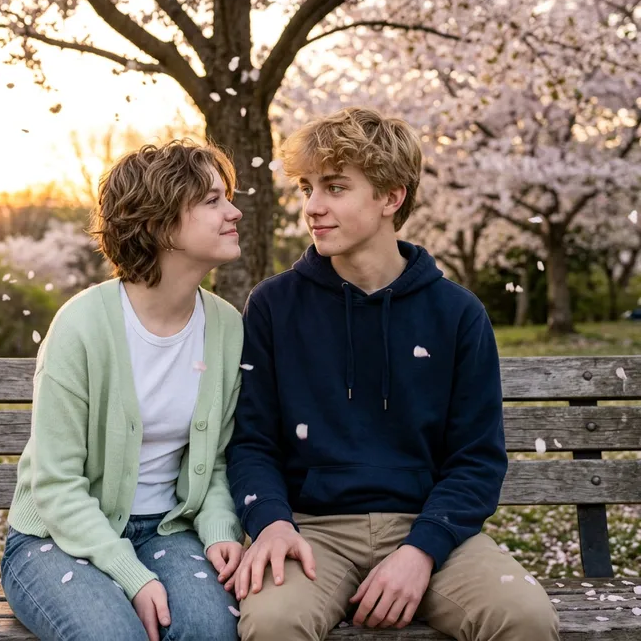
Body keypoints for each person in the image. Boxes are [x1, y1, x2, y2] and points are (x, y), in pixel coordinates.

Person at [225, 108, 560, 641]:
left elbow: (476, 458)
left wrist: (421, 550)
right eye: (307, 187)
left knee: (525, 618)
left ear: (391, 196)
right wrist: (272, 522)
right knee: (272, 623)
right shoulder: (274, 305)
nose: (313, 206)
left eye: (335, 187)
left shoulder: (457, 314)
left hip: (432, 530)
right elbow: (251, 442)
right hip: (312, 533)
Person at [1, 140, 246, 641]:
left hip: (169, 530)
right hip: (55, 537)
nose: (234, 211)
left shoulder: (226, 325)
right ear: (158, 224)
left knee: (209, 631)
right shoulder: (82, 325)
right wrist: (130, 574)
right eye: (212, 201)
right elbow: (55, 483)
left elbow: (217, 461)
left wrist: (220, 530)